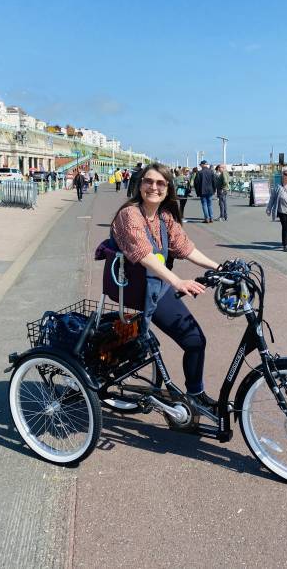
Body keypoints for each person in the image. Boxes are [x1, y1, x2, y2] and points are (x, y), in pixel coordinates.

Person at [108, 162, 220, 412]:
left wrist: (219, 268)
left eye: (160, 183)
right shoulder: (130, 214)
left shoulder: (164, 217)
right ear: (140, 184)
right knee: (151, 346)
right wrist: (177, 281)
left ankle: (195, 394)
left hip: (158, 286)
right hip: (137, 288)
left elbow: (186, 247)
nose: (154, 187)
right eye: (149, 181)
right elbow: (144, 254)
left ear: (168, 188)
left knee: (195, 341)